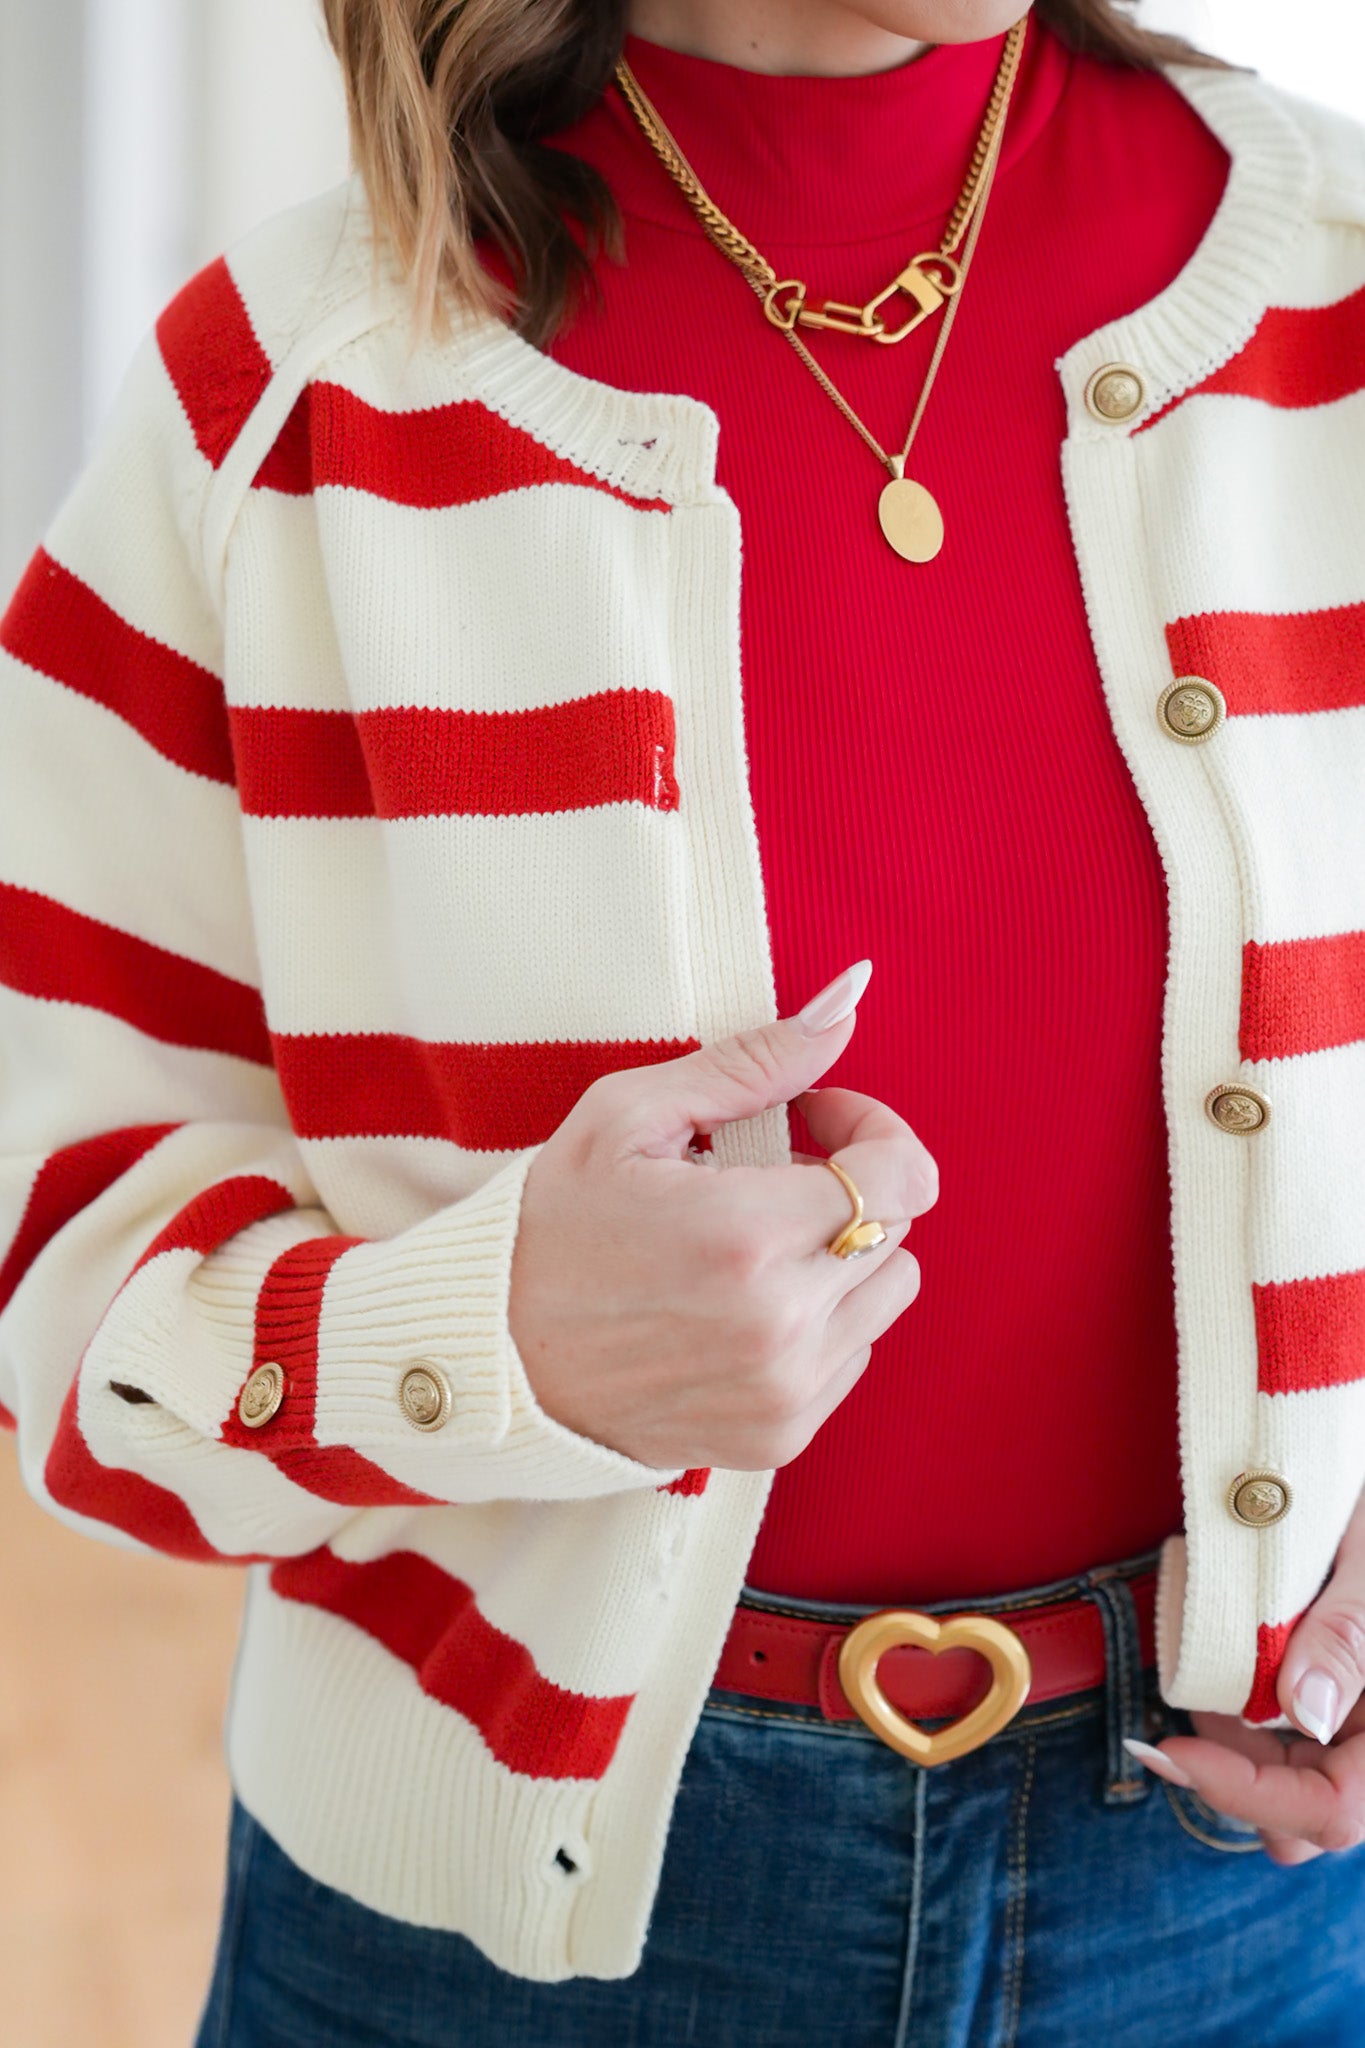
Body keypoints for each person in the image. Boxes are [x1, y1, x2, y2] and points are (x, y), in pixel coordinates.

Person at [2, 0, 1364, 2038]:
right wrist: (485, 1337)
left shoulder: (1333, 270)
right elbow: (54, 1270)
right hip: (475, 1940)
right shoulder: (279, 388)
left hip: (1236, 1898)